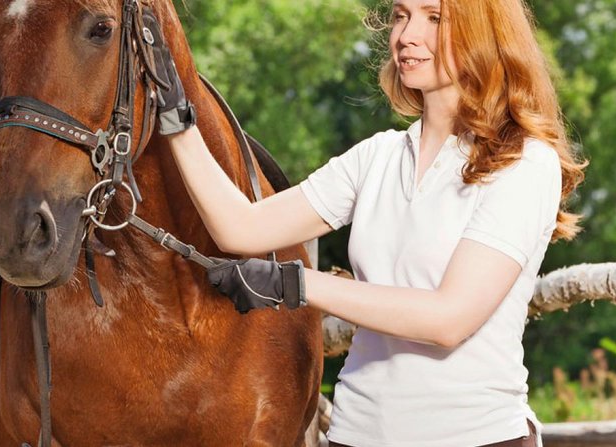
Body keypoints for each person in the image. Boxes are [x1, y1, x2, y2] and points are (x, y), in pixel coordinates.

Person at [160, 0, 585, 445]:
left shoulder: (524, 162)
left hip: (476, 436)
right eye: (401, 15)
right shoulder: (377, 157)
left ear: (484, 31)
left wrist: (299, 283)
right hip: (356, 434)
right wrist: (178, 124)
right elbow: (241, 228)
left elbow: (449, 319)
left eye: (433, 18)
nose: (405, 36)